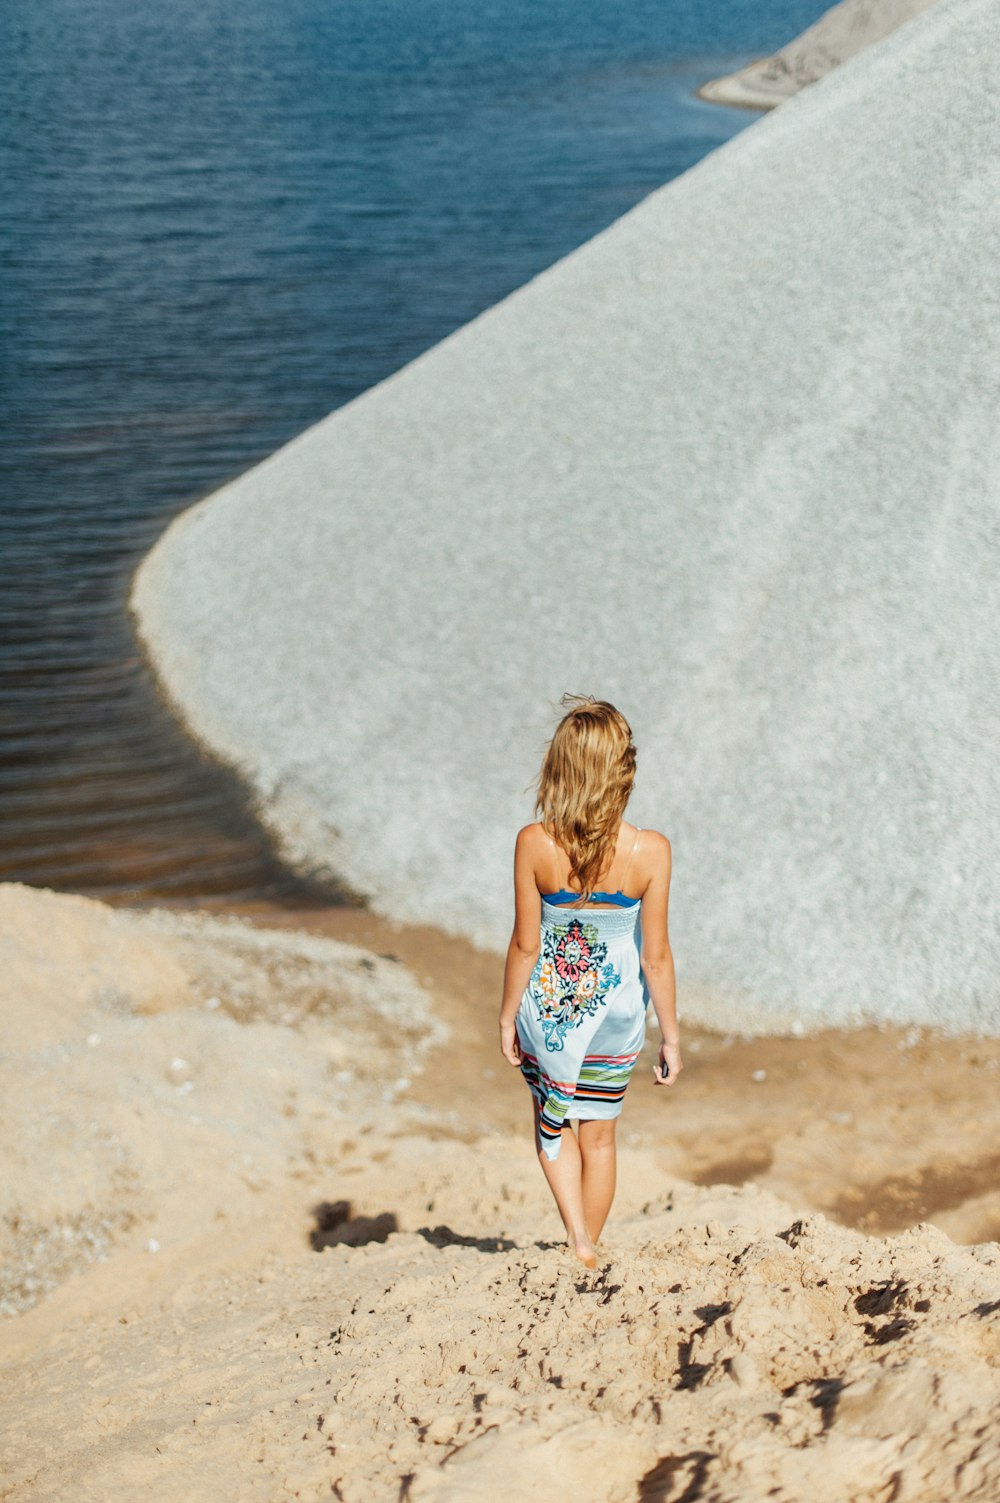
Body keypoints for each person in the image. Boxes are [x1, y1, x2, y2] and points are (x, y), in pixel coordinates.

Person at [498, 694, 681, 1268]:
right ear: (622, 770)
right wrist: (671, 1036)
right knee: (600, 1135)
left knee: (553, 1124)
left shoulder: (535, 842)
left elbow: (527, 943)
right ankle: (590, 1248)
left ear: (560, 767)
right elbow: (656, 957)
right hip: (619, 1010)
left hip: (553, 1008)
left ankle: (577, 1237)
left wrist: (506, 1016)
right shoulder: (650, 851)